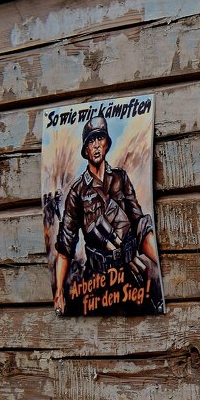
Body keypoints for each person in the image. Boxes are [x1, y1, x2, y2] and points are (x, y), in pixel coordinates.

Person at [54, 116, 162, 314]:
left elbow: (140, 224)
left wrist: (160, 263)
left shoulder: (120, 178)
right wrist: (59, 290)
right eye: (91, 141)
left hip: (130, 271)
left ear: (106, 144)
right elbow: (65, 245)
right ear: (85, 149)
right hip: (97, 279)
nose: (96, 145)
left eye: (100, 139)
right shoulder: (77, 191)